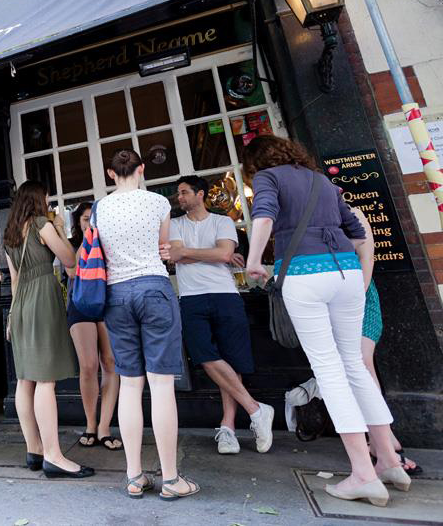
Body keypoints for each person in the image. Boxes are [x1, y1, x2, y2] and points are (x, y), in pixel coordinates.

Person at [243, 135, 408, 507]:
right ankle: (388, 460)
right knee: (354, 366)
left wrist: (254, 260)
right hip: (348, 277)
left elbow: (264, 214)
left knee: (329, 370)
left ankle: (363, 474)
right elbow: (357, 231)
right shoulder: (324, 182)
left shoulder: (269, 178)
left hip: (304, 275)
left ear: (256, 162)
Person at [98, 149, 198, 500]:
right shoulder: (158, 202)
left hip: (116, 295)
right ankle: (171, 478)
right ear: (141, 169)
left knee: (129, 384)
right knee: (161, 385)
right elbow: (164, 248)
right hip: (154, 288)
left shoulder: (99, 208)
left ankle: (134, 475)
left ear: (111, 174)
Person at [169, 175, 274, 455]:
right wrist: (212, 253)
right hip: (190, 298)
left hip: (225, 295)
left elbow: (226, 253)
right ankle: (256, 409)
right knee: (205, 357)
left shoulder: (223, 221)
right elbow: (177, 256)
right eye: (178, 193)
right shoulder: (175, 224)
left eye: (184, 193)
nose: (179, 198)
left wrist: (191, 253)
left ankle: (227, 428)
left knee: (231, 360)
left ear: (199, 194)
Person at [3, 181, 93, 479]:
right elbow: (69, 260)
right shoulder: (42, 224)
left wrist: (12, 315)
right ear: (38, 199)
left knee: (25, 379)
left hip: (22, 305)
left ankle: (34, 449)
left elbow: (14, 281)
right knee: (45, 381)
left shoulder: (10, 235)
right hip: (43, 297)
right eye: (46, 196)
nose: (49, 200)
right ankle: (54, 456)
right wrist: (60, 226)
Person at [348, 206, 421, 477]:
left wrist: (359, 294)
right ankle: (378, 442)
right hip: (331, 297)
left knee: (362, 362)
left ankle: (384, 441)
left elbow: (367, 256)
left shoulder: (351, 212)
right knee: (350, 368)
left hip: (359, 293)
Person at [65, 201, 121, 451]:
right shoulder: (73, 245)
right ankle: (90, 423)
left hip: (108, 303)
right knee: (88, 365)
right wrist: (88, 236)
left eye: (93, 219)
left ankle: (105, 427)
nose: (90, 222)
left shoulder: (109, 243)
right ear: (78, 222)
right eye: (85, 219)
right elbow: (72, 271)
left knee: (110, 362)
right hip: (80, 304)